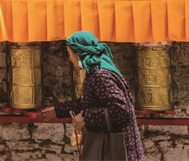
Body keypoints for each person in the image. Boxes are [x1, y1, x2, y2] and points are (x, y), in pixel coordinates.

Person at [42, 31, 145, 161]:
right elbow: (88, 102)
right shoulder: (95, 70)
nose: (70, 59)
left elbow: (120, 109)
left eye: (70, 54)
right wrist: (58, 110)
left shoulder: (100, 75)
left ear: (78, 54)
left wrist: (86, 117)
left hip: (119, 149)